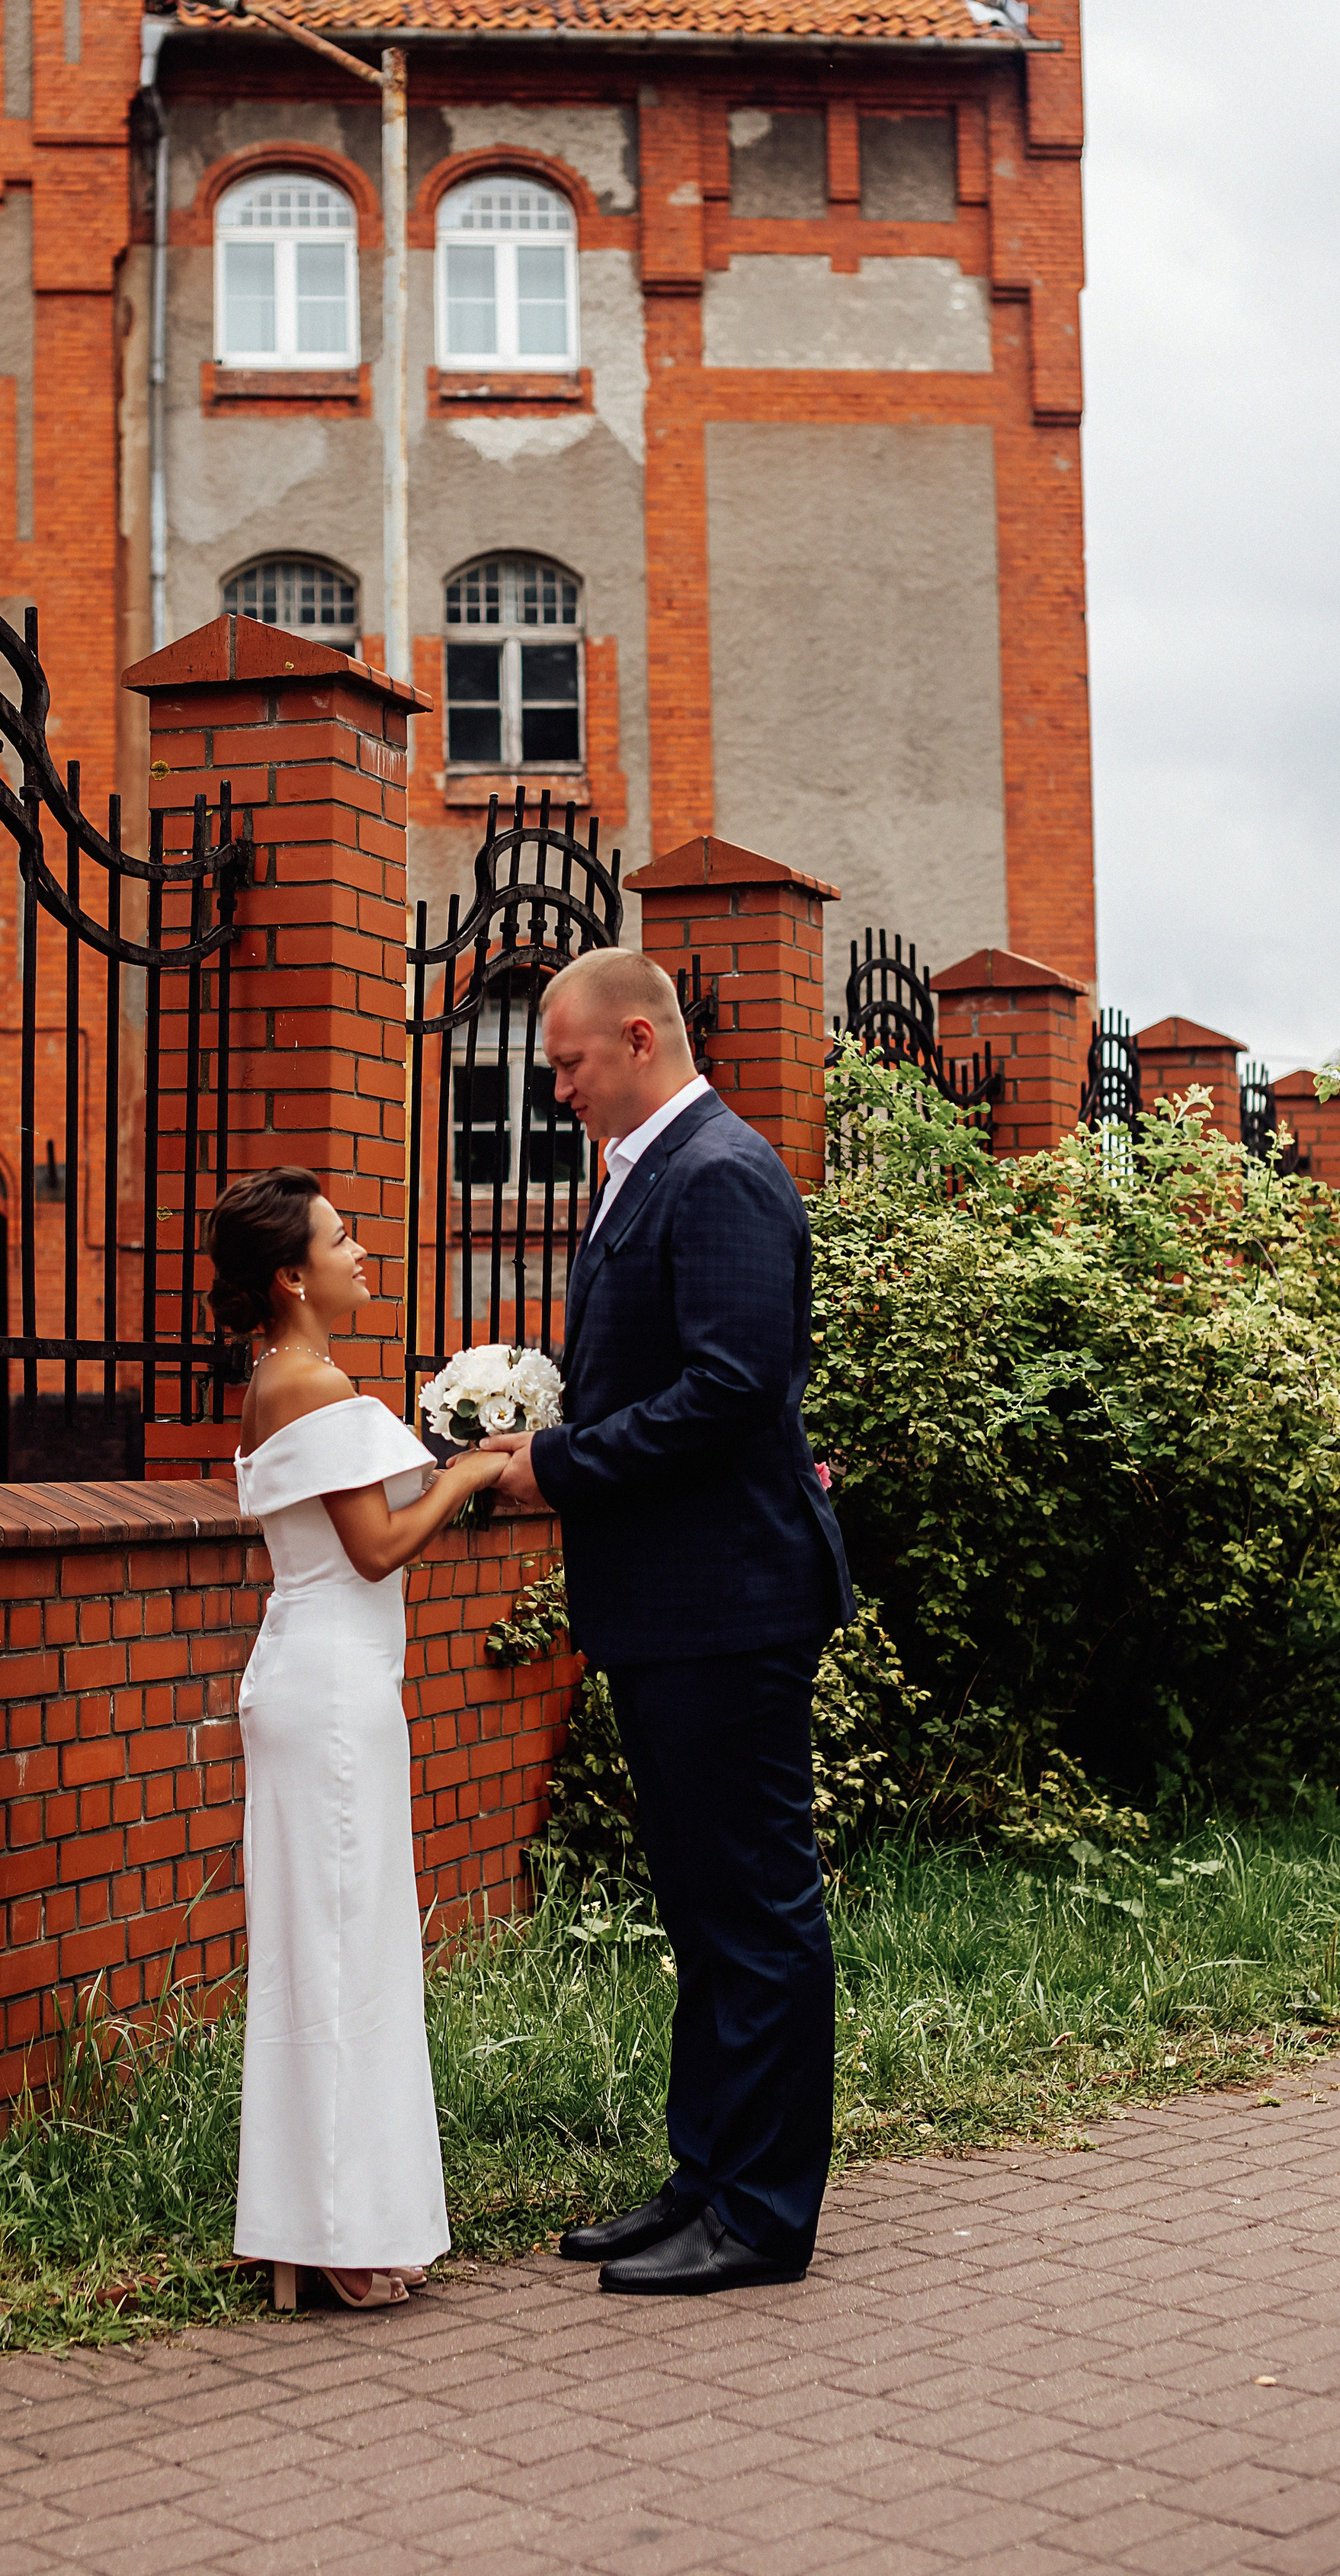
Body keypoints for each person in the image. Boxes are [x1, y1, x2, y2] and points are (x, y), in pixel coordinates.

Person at [483, 949, 853, 2295]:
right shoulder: (652, 1171)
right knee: (702, 1911)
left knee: (754, 1909)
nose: (559, 1091)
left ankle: (760, 2216)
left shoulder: (722, 1173)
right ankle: (704, 2180)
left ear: (638, 1040)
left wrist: (559, 1463)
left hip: (729, 1603)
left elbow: (734, 1390)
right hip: (668, 1606)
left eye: (571, 1065)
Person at [215, 1166, 498, 2312]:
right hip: (331, 1695)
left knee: (324, 1953)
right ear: (293, 1275)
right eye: (341, 1238)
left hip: (316, 1680)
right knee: (342, 1957)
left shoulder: (278, 1378)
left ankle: (310, 2228)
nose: (361, 1250)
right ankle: (336, 2236)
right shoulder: (314, 1383)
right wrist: (472, 1469)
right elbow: (378, 1547)